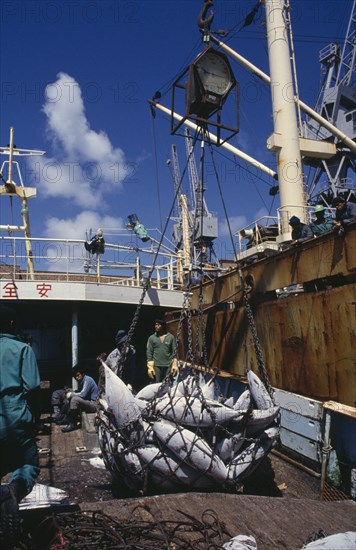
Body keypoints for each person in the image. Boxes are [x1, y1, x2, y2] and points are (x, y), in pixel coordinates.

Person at [0, 306, 41, 543]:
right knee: (27, 463)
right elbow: (33, 388)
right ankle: (12, 492)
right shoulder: (22, 349)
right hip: (15, 418)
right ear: (13, 324)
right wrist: (33, 420)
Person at [61, 366, 98, 433]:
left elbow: (83, 394)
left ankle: (73, 424)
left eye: (78, 375)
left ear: (83, 374)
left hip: (94, 404)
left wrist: (72, 394)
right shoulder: (82, 380)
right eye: (75, 377)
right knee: (71, 395)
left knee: (74, 399)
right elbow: (81, 391)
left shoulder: (88, 380)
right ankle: (67, 418)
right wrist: (72, 391)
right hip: (88, 402)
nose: (76, 378)